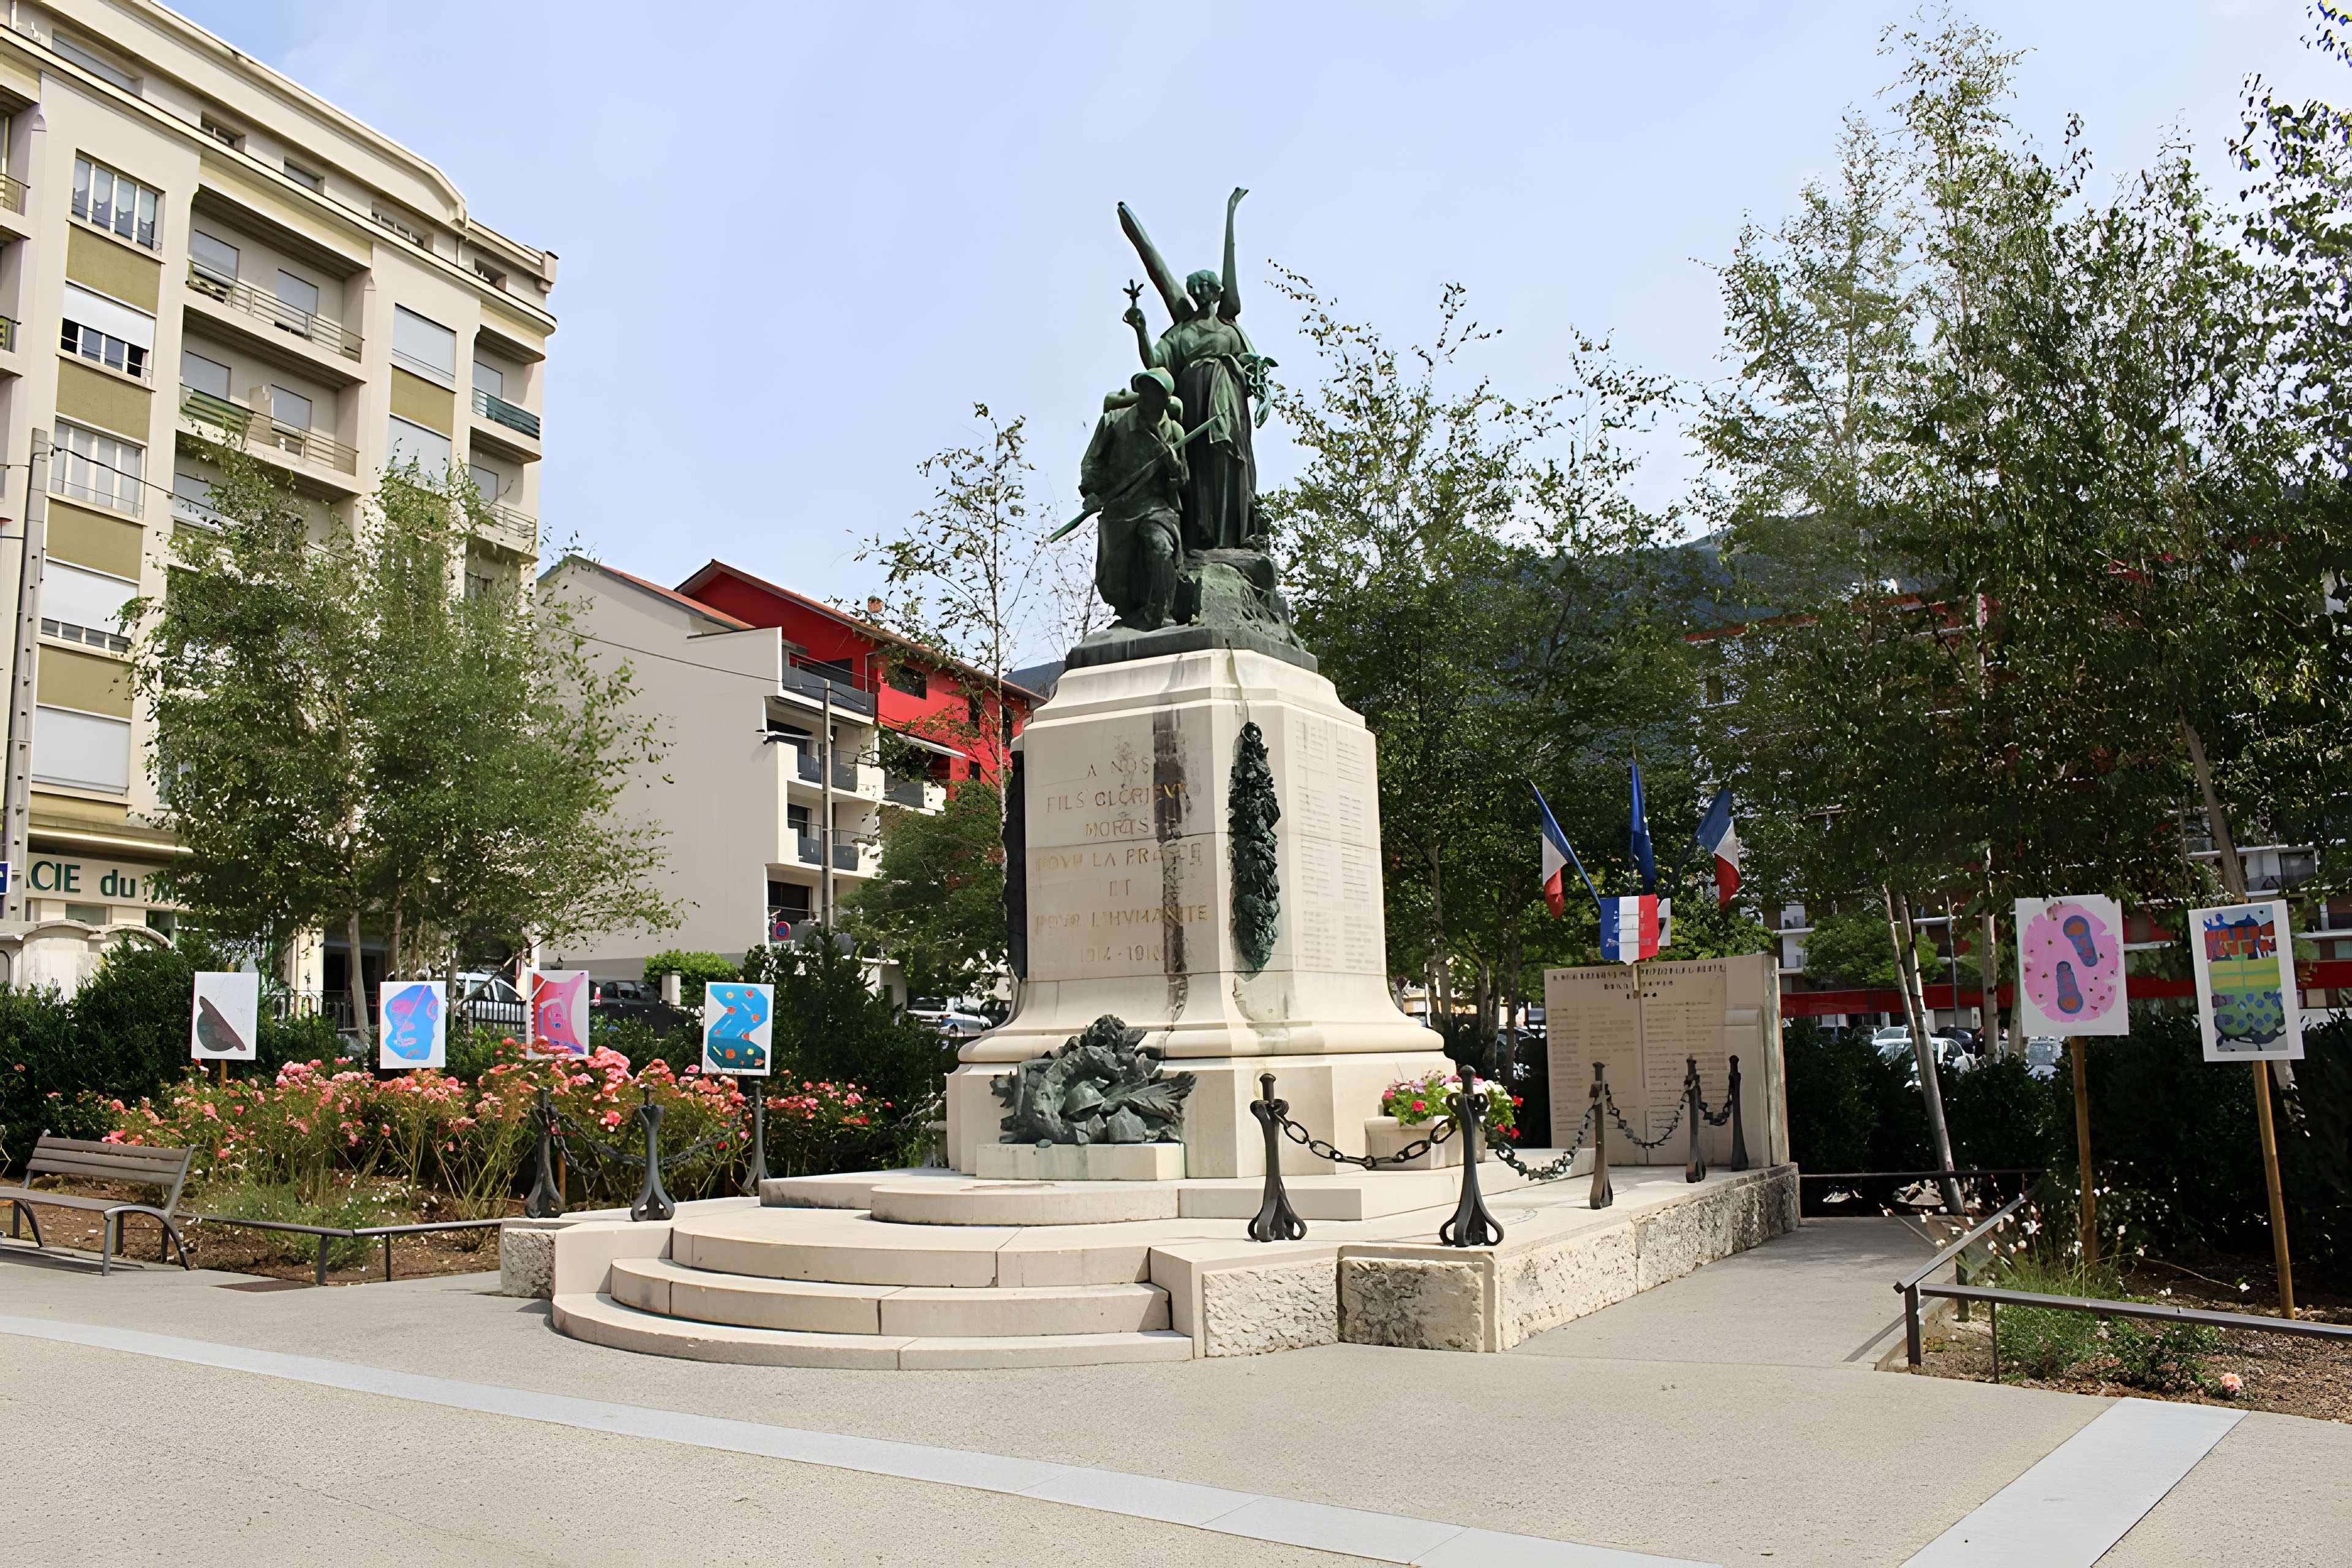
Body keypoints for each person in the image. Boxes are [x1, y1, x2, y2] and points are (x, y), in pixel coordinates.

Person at [1119, 187, 1269, 553]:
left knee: (1230, 459)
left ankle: (1233, 535)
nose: (1201, 291)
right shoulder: (1182, 332)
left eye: (1206, 286)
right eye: (1195, 287)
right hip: (1192, 400)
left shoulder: (1230, 329)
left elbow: (1256, 372)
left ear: (1216, 291)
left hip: (1227, 401)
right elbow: (1156, 364)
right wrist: (1141, 328)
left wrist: (1231, 211)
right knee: (1197, 462)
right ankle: (1200, 536)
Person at [1080, 368, 1187, 631]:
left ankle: (1159, 616)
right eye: (1146, 389)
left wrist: (1174, 467)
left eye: (1156, 392)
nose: (1149, 396)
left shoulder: (1174, 432)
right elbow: (1092, 461)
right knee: (1114, 579)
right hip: (1119, 507)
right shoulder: (1115, 421)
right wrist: (1092, 491)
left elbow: (1183, 481)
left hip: (1155, 507)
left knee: (1161, 547)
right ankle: (1129, 614)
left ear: (1165, 399)